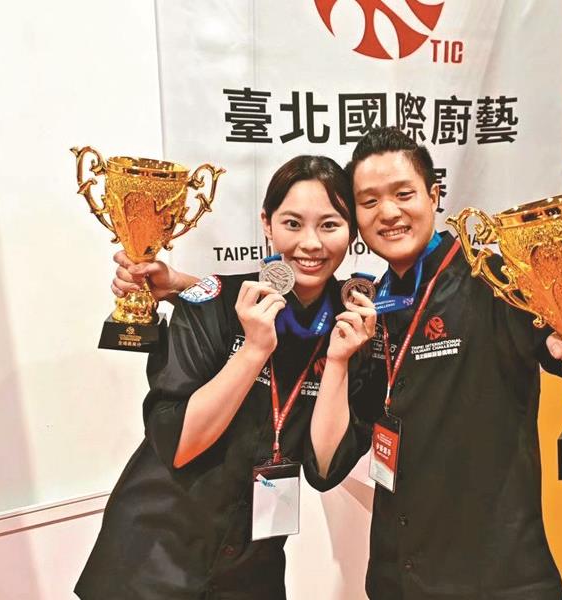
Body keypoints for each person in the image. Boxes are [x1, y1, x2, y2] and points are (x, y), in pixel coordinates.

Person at [114, 129, 562, 600]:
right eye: (369, 201)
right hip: (393, 576)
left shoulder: (496, 282)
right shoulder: (366, 309)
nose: (388, 213)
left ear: (435, 195)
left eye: (404, 194)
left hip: (495, 577)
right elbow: (328, 463)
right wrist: (182, 285)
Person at [75, 155, 379, 600]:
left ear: (352, 233)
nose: (311, 243)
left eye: (330, 225)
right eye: (292, 223)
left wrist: (337, 362)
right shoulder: (212, 303)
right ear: (267, 224)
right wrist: (253, 350)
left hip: (252, 572)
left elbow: (324, 470)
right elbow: (179, 444)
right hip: (151, 562)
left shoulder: (353, 327)